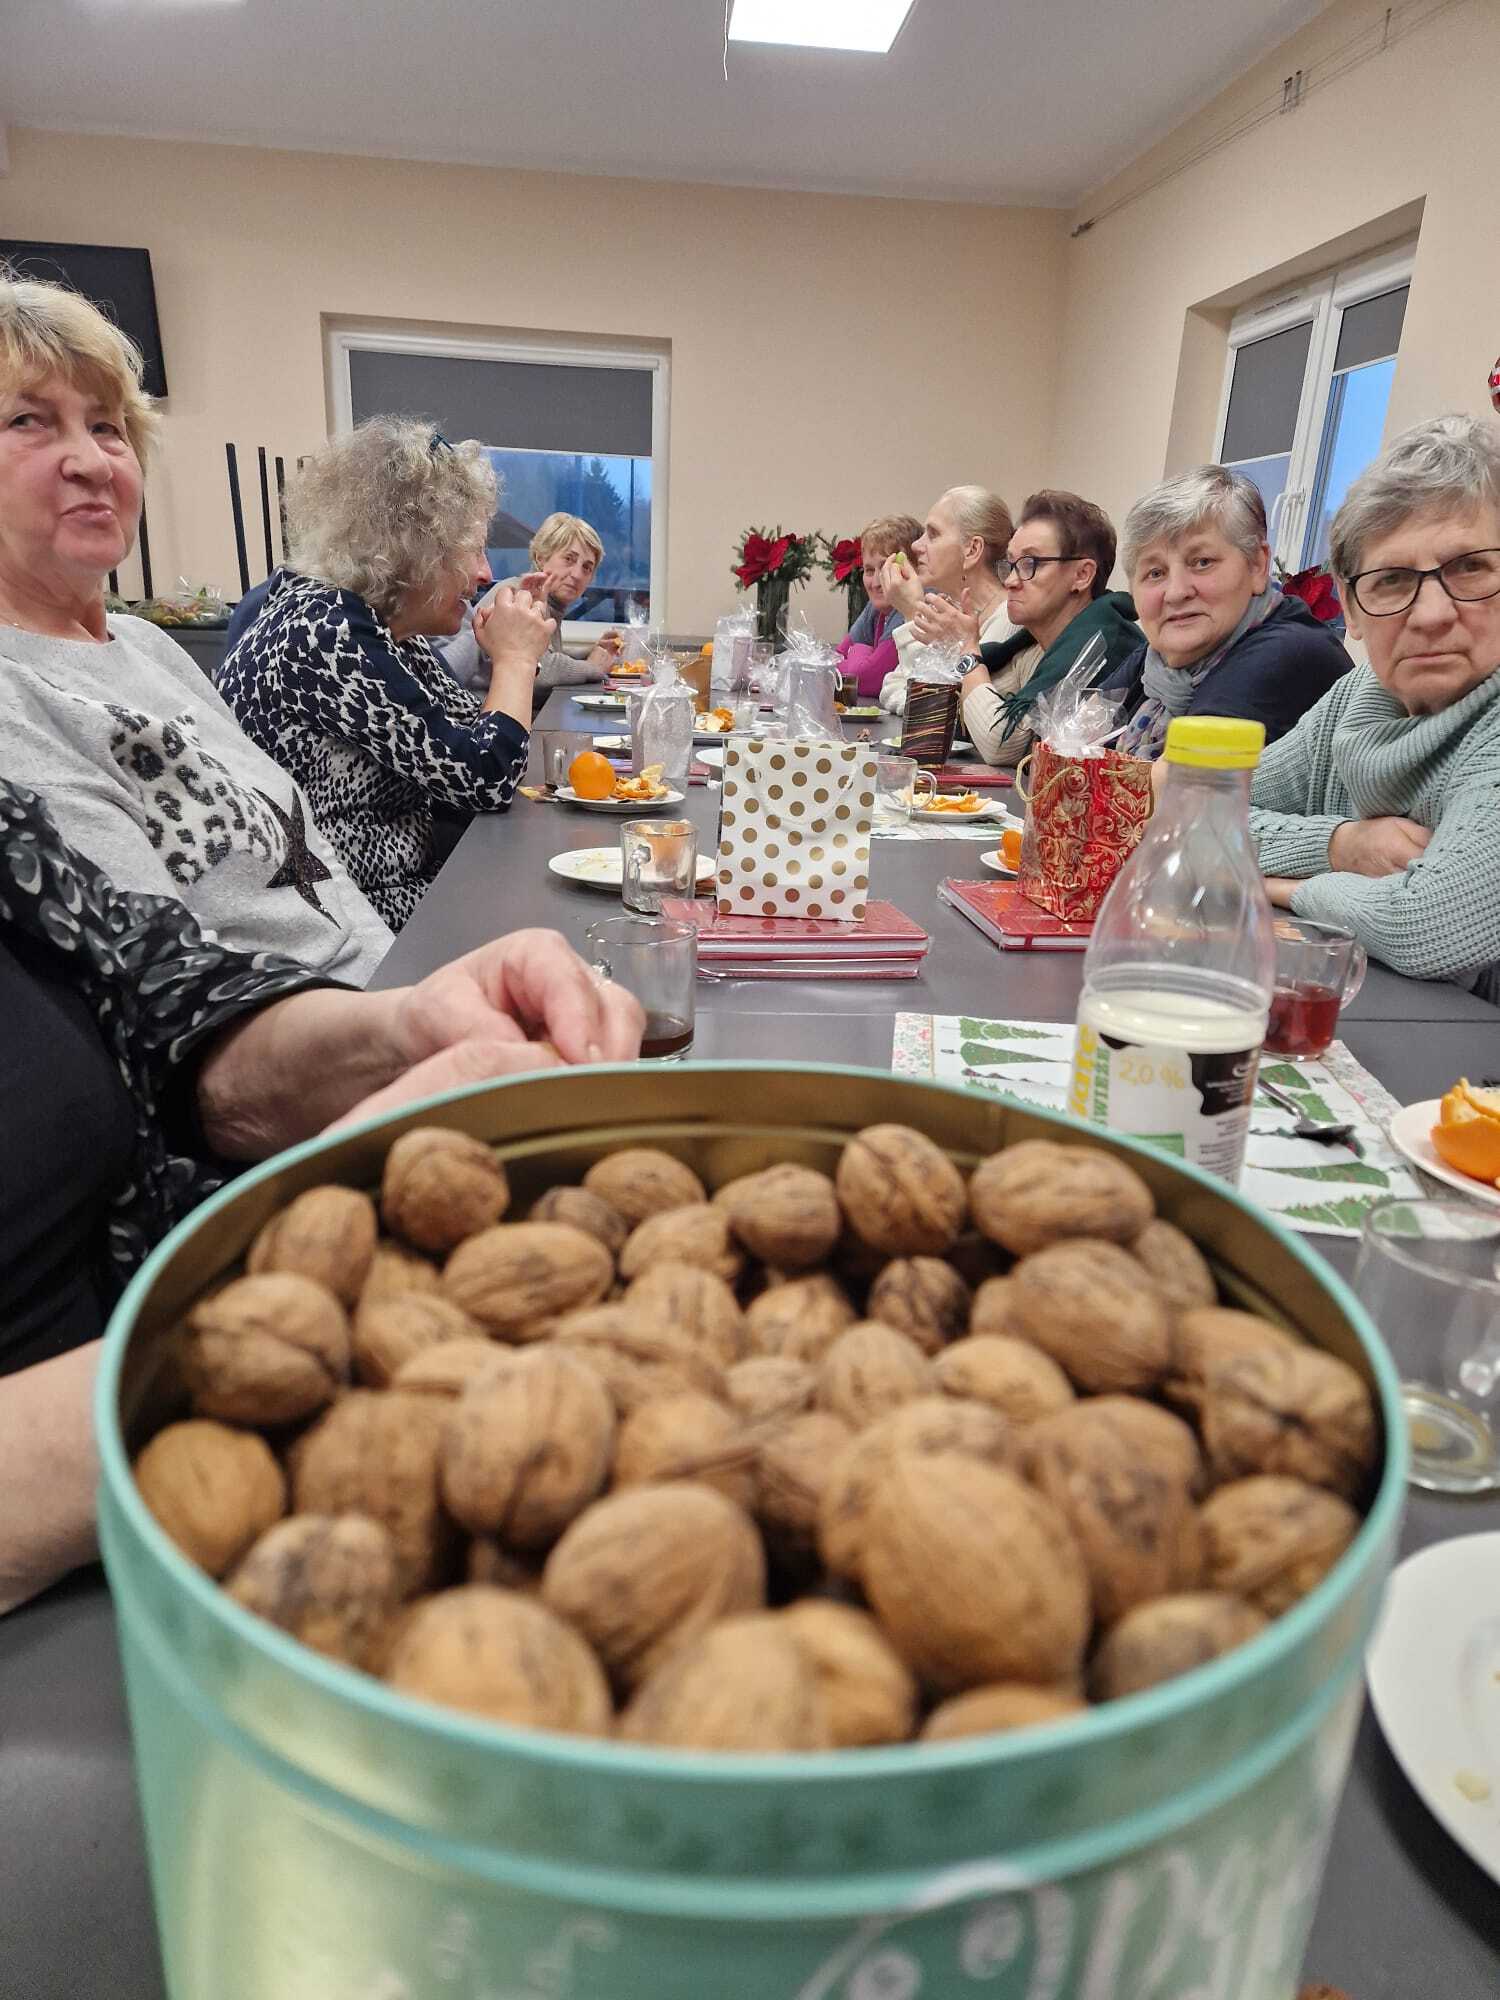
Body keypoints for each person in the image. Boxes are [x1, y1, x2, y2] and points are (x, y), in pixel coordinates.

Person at [0, 776, 644, 1615]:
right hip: (116, 1574)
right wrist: (262, 1315)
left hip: (267, 1368)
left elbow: (148, 996)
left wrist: (399, 1033)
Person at [0, 271, 392, 982]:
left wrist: (407, 977)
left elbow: (317, 869)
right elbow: (169, 991)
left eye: (105, 426)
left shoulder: (150, 646)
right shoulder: (15, 696)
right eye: (27, 421)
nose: (90, 462)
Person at [218, 420, 555, 930]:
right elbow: (485, 776)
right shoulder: (324, 630)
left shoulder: (385, 630)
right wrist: (515, 660)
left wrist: (502, 653)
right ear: (414, 549)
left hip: (396, 891)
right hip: (347, 917)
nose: (486, 574)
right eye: (472, 549)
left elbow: (471, 732)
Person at [1251, 413, 1500, 1003]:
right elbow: (1193, 810)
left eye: (1471, 568)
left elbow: (1430, 924)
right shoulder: (1357, 700)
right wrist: (1340, 846)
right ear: (1351, 611)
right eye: (1391, 580)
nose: (1433, 613)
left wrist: (1276, 884)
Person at [1103, 465, 1350, 760]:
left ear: (1257, 565)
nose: (1177, 591)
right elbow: (1058, 740)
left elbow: (1182, 787)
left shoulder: (1287, 652)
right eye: (1155, 573)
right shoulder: (1161, 660)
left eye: (1202, 562)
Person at [956, 491, 1141, 768]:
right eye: (1010, 564)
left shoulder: (1101, 643)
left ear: (1082, 575)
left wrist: (970, 651)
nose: (1011, 582)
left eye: (1030, 564)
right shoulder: (1033, 643)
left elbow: (1000, 743)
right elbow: (961, 706)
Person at [445, 511, 625, 694]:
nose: (577, 574)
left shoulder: (551, 603)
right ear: (541, 557)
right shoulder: (516, 593)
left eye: (587, 567)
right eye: (569, 559)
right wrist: (593, 668)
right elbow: (539, 670)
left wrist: (593, 650)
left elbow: (548, 652)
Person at [876, 486, 1018, 714]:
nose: (916, 546)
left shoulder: (1008, 619)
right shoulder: (948, 609)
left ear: (972, 550)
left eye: (932, 535)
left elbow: (934, 710)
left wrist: (913, 613)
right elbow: (891, 686)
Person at [834, 513, 921, 701]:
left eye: (885, 567)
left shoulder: (911, 606)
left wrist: (858, 650)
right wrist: (861, 659)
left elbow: (866, 679)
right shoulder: (876, 608)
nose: (875, 583)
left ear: (914, 567)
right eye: (869, 570)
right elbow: (830, 663)